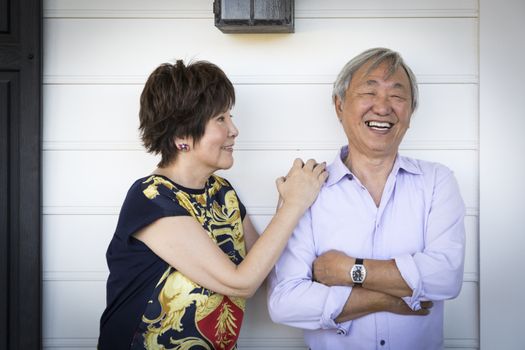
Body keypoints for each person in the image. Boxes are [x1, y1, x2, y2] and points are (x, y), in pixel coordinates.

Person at [97, 60, 328, 350]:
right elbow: (241, 282)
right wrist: (295, 205)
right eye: (220, 119)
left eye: (230, 116)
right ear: (181, 136)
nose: (234, 129)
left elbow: (265, 267)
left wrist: (285, 204)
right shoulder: (151, 199)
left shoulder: (223, 193)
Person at [267, 48, 466, 350]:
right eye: (369, 92)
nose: (383, 107)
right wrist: (384, 297)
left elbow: (445, 277)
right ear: (339, 105)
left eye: (397, 97)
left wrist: (347, 270)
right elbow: (286, 302)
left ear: (410, 112)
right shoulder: (306, 188)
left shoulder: (437, 181)